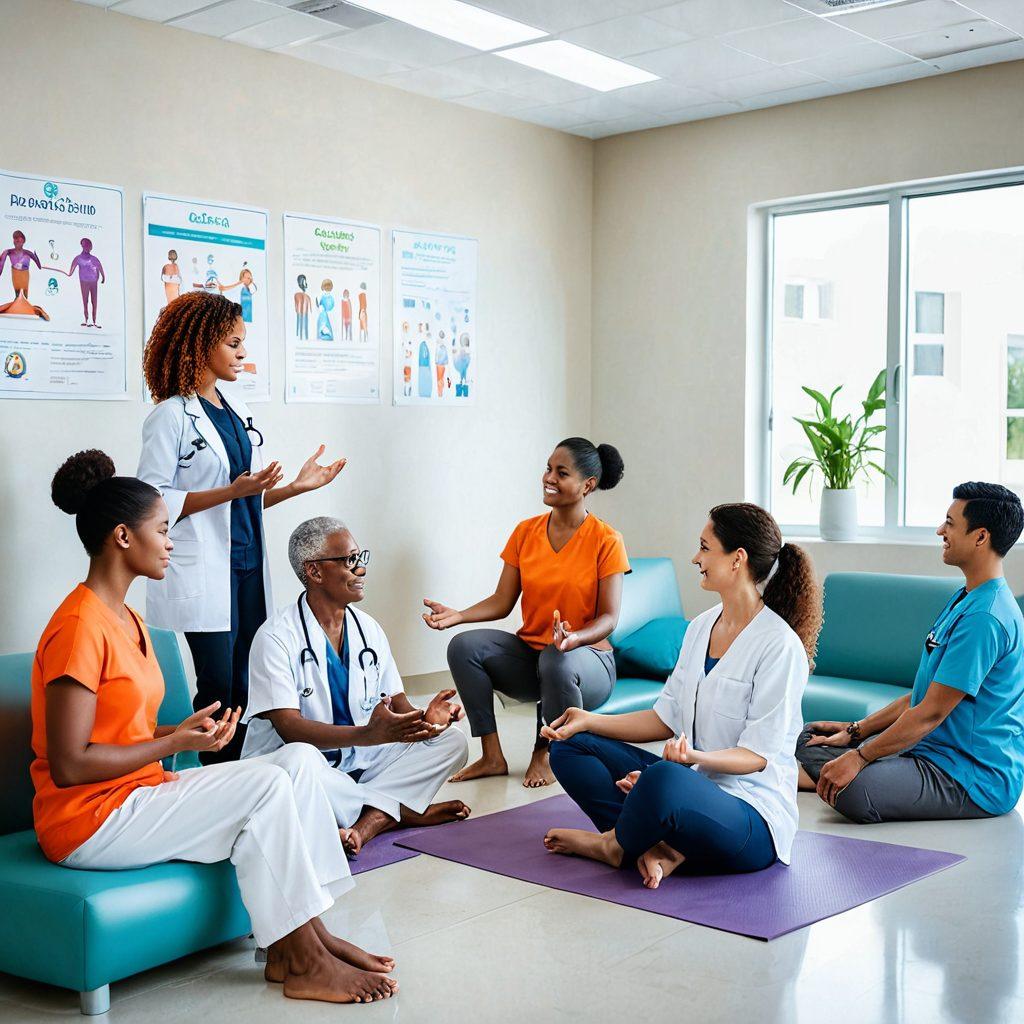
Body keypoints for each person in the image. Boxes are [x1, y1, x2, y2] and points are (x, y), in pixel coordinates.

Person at [34, 450, 397, 1004]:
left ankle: (305, 938)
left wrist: (183, 730)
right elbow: (70, 763)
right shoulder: (79, 627)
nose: (172, 541)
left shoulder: (128, 618)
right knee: (266, 784)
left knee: (295, 764)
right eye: (163, 529)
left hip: (138, 792)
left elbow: (118, 727)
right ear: (123, 538)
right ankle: (302, 956)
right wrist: (174, 743)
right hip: (88, 820)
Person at [542, 503, 820, 887]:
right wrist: (589, 719)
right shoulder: (700, 628)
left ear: (737, 558)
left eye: (705, 548)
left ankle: (617, 845)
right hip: (694, 789)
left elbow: (758, 757)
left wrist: (690, 761)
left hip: (753, 817)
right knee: (573, 745)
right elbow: (664, 717)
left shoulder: (779, 646)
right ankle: (660, 842)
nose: (696, 558)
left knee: (664, 779)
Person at [138, 292, 346, 763]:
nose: (242, 352)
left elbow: (245, 501)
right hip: (206, 570)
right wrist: (232, 492)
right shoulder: (170, 415)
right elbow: (151, 503)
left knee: (252, 684)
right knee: (217, 688)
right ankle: (216, 782)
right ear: (202, 342)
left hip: (248, 563)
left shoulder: (232, 408)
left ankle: (248, 778)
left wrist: (295, 487)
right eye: (233, 343)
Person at [797, 482, 1024, 824]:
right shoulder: (965, 598)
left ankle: (830, 779)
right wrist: (854, 730)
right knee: (812, 736)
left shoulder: (985, 618)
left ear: (980, 537)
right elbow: (920, 697)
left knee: (854, 790)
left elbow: (930, 714)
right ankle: (834, 775)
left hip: (970, 778)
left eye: (950, 523)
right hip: (926, 752)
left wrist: (859, 757)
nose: (940, 530)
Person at [242, 517, 471, 854]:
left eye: (361, 558)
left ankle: (370, 823)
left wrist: (428, 721)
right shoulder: (276, 637)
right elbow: (290, 729)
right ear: (315, 572)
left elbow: (400, 709)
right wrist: (368, 736)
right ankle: (396, 809)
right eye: (350, 560)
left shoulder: (368, 630)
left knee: (452, 743)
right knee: (299, 762)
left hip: (362, 764)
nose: (361, 569)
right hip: (310, 770)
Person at [424, 438, 629, 788]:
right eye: (548, 468)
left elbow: (609, 617)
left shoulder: (606, 540)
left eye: (561, 473)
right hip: (534, 658)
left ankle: (545, 751)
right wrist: (459, 615)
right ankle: (491, 755)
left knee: (557, 657)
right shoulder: (526, 532)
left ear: (587, 485)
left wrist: (575, 637)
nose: (548, 477)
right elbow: (502, 600)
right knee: (464, 647)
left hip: (588, 663)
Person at [0, 230, 48, 320]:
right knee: (18, 295)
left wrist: (36, 256)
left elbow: (39, 266)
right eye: (15, 239)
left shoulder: (28, 253)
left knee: (24, 295)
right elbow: (1, 264)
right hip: (15, 274)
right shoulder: (8, 252)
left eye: (19, 240)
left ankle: (29, 310)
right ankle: (20, 310)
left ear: (23, 241)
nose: (17, 241)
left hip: (25, 274)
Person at [67, 237, 105, 328]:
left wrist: (103, 277)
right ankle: (86, 320)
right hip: (84, 281)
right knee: (85, 300)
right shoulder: (78, 258)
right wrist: (69, 274)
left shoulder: (94, 259)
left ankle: (94, 321)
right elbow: (71, 271)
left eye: (89, 246)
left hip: (93, 282)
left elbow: (100, 268)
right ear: (82, 246)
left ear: (91, 247)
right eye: (86, 246)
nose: (88, 248)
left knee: (94, 301)